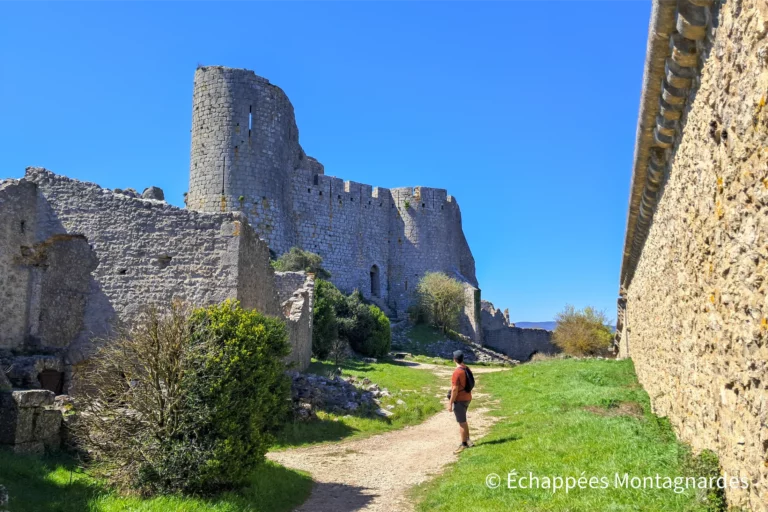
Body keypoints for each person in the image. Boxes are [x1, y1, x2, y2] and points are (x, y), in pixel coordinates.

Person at [446, 350, 473, 453]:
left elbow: (454, 390)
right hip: (468, 397)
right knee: (464, 420)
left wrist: (450, 403)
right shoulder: (466, 368)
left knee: (461, 422)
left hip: (460, 400)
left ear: (454, 359)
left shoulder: (457, 372)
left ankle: (464, 444)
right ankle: (468, 440)